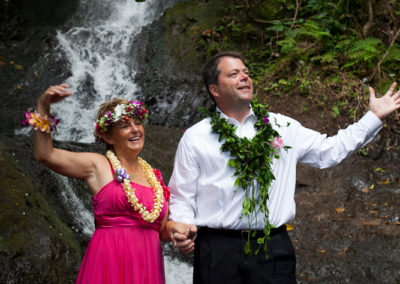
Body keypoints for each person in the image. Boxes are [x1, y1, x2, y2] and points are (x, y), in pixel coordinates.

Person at [167, 51, 400, 283]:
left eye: (246, 73)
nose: (245, 77)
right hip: (217, 250)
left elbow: (330, 151)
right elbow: (181, 197)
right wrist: (184, 228)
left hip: (272, 248)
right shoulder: (196, 137)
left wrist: (373, 117)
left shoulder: (282, 126)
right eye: (234, 74)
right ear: (214, 89)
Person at [26, 84, 172, 283]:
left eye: (138, 123)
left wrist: (180, 229)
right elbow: (45, 154)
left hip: (147, 266)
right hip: (109, 263)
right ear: (107, 136)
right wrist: (43, 107)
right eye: (125, 126)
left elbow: (163, 231)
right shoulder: (98, 165)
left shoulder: (155, 178)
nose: (135, 130)